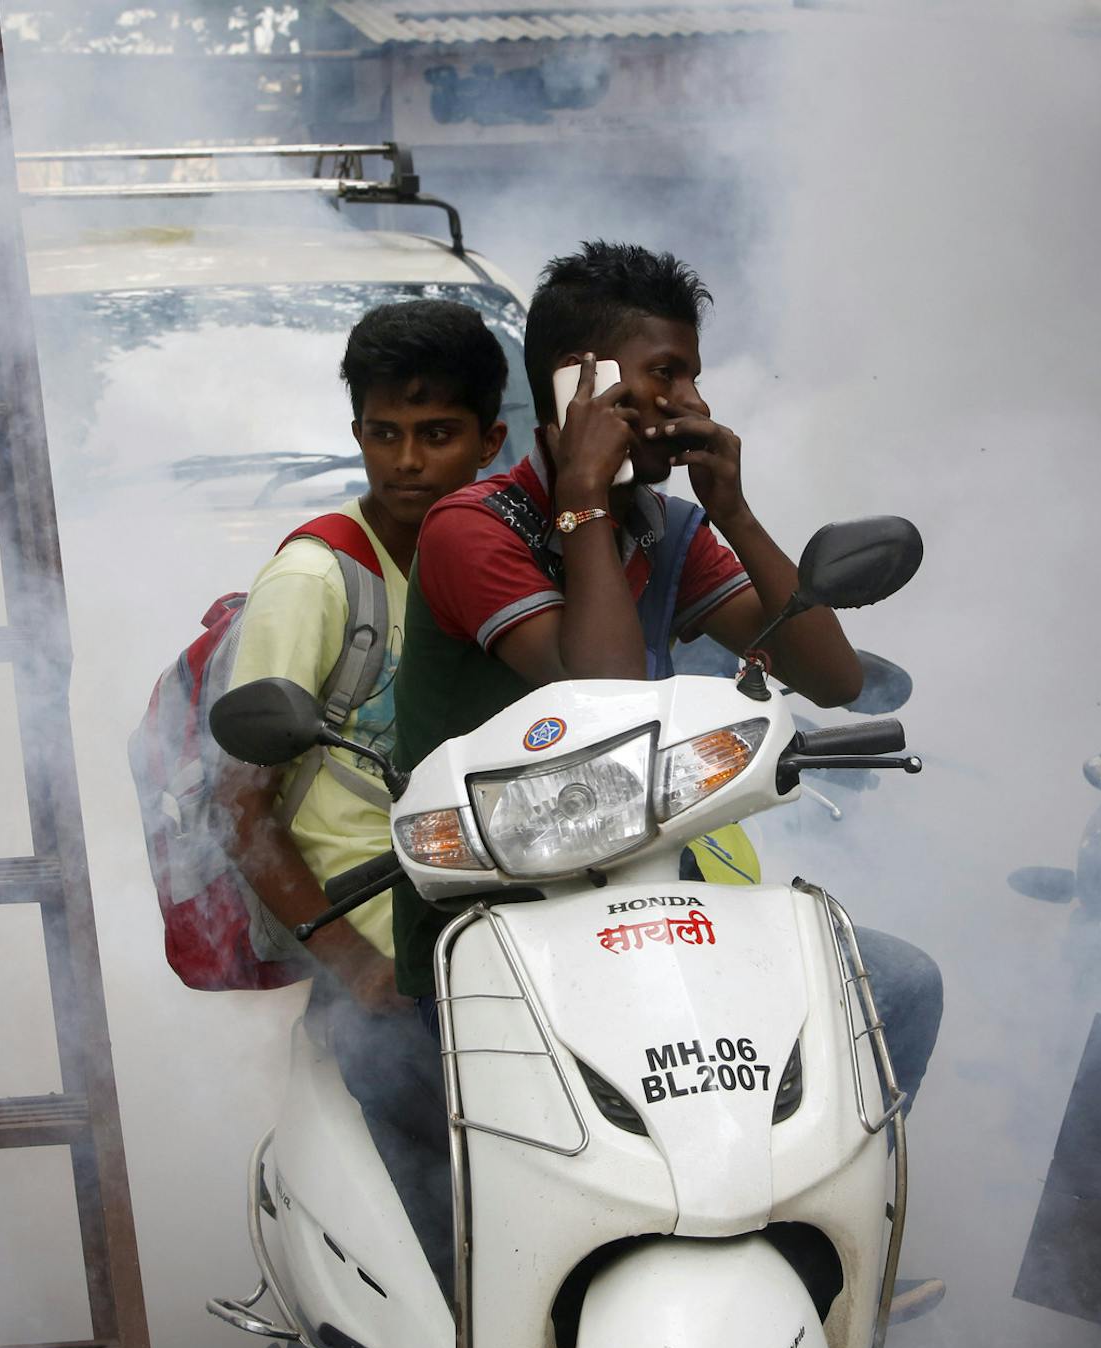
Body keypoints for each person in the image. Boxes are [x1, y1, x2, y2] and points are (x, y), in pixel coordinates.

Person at [362, 241, 943, 1288]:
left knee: (893, 987)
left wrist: (734, 510)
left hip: (638, 917)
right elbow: (603, 705)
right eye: (664, 373)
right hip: (494, 932)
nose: (689, 399)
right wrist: (582, 494)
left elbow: (834, 675)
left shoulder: (664, 528)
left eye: (690, 373)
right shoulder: (471, 529)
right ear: (576, 388)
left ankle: (814, 1279)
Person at [217, 299, 508, 1019]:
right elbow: (240, 810)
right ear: (358, 436)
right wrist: (358, 967)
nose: (406, 462)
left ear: (489, 441)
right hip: (386, 956)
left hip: (493, 920)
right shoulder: (315, 581)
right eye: (384, 435)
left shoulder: (501, 559)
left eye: (436, 435)